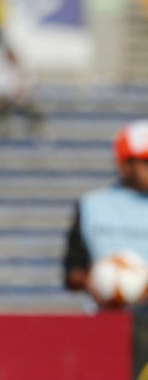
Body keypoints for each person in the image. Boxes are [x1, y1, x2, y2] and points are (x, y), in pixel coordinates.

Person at [63, 120, 148, 308]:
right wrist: (99, 283)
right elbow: (72, 272)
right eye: (146, 162)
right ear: (125, 166)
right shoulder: (92, 205)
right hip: (106, 319)